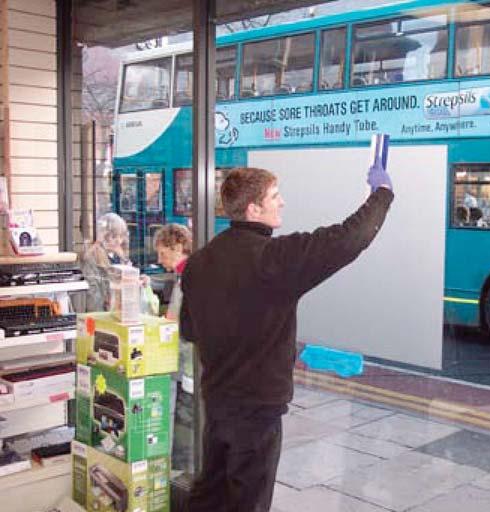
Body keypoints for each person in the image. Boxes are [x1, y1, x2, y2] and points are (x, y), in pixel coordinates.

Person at [180, 159, 393, 512]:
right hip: (257, 411)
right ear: (253, 209)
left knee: (210, 494)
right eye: (275, 196)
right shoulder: (274, 259)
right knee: (248, 500)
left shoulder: (201, 262)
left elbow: (189, 329)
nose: (283, 202)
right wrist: (382, 193)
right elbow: (348, 239)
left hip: (217, 403)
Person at [153, 223, 195, 474]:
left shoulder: (188, 278)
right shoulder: (186, 275)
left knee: (187, 431)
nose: (160, 260)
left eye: (162, 253)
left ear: (178, 247)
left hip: (191, 368)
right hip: (190, 368)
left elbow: (176, 321)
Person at [80, 212, 131, 311]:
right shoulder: (94, 257)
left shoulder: (120, 256)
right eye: (113, 237)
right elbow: (93, 291)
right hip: (102, 308)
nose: (118, 241)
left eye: (120, 237)